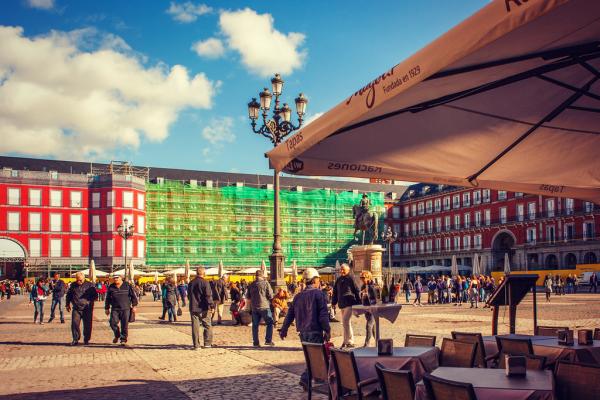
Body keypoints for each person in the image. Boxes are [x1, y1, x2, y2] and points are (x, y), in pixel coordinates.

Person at [279, 267, 331, 391]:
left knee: (310, 356)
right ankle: (306, 378)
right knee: (316, 357)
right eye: (318, 279)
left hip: (303, 332)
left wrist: (284, 329)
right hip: (315, 330)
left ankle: (318, 378)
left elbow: (290, 314)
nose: (319, 282)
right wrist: (327, 330)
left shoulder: (298, 296)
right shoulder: (319, 294)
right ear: (314, 280)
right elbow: (323, 315)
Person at [331, 263, 360, 348]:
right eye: (341, 269)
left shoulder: (351, 278)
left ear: (348, 270)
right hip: (341, 304)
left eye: (343, 269)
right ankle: (345, 340)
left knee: (345, 321)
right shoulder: (339, 279)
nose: (341, 271)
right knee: (346, 323)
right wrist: (333, 302)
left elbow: (356, 290)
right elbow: (335, 292)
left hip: (349, 303)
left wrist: (359, 303)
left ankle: (350, 341)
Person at [105, 275, 138, 345]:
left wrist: (134, 306)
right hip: (115, 308)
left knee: (124, 325)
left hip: (126, 308)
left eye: (117, 277)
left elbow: (133, 296)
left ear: (121, 278)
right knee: (112, 323)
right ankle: (117, 335)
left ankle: (123, 339)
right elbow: (108, 298)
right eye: (114, 278)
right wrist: (106, 308)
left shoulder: (127, 286)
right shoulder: (111, 287)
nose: (115, 279)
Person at [66, 272, 97, 345]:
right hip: (76, 308)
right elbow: (69, 295)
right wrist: (67, 304)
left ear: (84, 278)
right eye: (77, 280)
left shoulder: (90, 285)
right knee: (74, 323)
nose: (79, 281)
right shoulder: (73, 285)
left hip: (87, 308)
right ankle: (75, 339)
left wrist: (89, 302)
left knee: (87, 325)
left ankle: (86, 339)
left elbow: (95, 296)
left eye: (80, 280)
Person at [247, 270, 275, 347]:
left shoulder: (251, 284)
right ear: (262, 275)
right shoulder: (266, 283)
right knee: (270, 323)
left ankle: (255, 342)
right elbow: (270, 295)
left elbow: (248, 297)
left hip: (254, 307)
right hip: (264, 306)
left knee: (255, 325)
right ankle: (268, 340)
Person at [188, 267, 214, 349]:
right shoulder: (205, 282)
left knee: (195, 326)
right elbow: (208, 296)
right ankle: (207, 343)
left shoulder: (191, 283)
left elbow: (189, 295)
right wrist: (212, 306)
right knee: (207, 325)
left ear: (196, 273)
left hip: (193, 307)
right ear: (204, 273)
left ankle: (196, 345)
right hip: (204, 307)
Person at [359, 271, 377, 347]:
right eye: (361, 277)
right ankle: (378, 342)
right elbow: (361, 296)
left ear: (368, 277)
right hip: (366, 308)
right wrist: (362, 295)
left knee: (369, 325)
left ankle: (367, 344)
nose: (362, 279)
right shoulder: (363, 286)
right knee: (373, 327)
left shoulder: (373, 285)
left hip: (373, 308)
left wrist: (367, 294)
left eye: (363, 277)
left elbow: (376, 296)